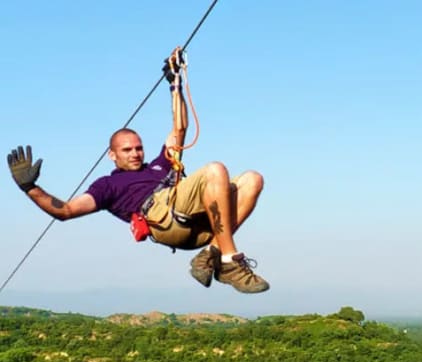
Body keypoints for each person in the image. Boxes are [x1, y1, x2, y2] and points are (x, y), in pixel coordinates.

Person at [6, 51, 269, 294]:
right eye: (127, 150)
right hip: (164, 220)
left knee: (252, 180)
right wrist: (30, 188)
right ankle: (229, 260)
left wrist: (174, 84)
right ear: (113, 155)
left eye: (138, 148)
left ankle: (212, 252)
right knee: (215, 170)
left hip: (199, 225)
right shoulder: (107, 185)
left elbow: (179, 130)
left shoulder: (159, 164)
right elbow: (65, 211)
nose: (135, 154)